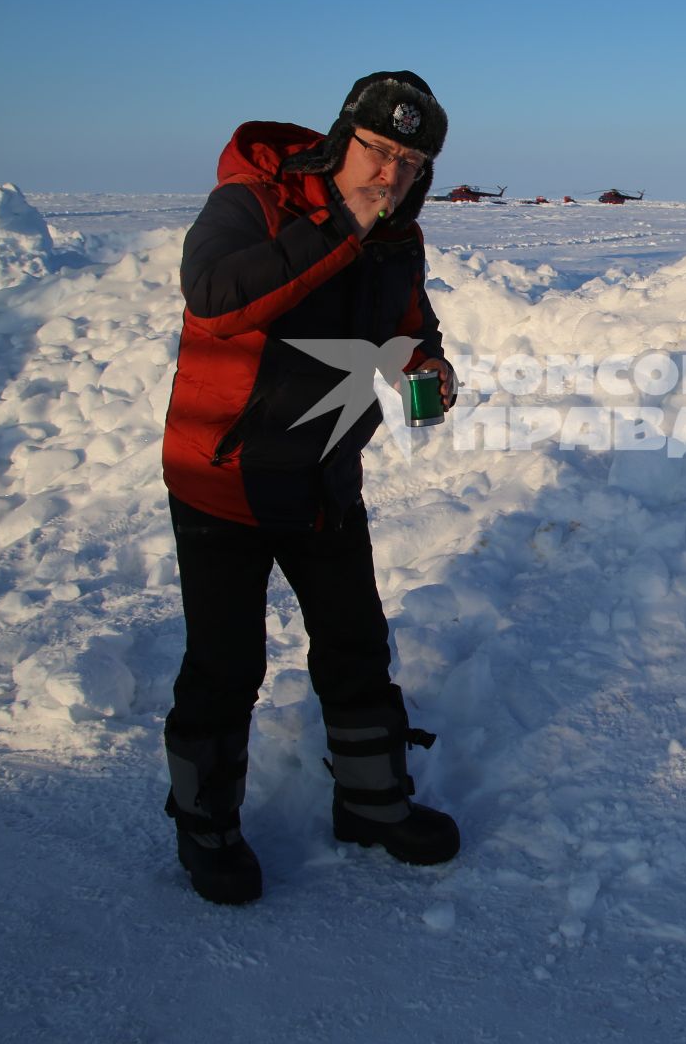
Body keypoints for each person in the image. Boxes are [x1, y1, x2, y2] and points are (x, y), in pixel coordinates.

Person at [159, 72, 460, 905]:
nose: (390, 173)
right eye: (376, 149)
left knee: (356, 645)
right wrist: (341, 223)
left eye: (409, 159)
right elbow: (215, 300)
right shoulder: (251, 203)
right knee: (225, 666)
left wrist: (424, 362)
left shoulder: (398, 235)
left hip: (323, 474)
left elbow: (408, 323)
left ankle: (372, 803)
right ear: (341, 139)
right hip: (222, 478)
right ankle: (206, 826)